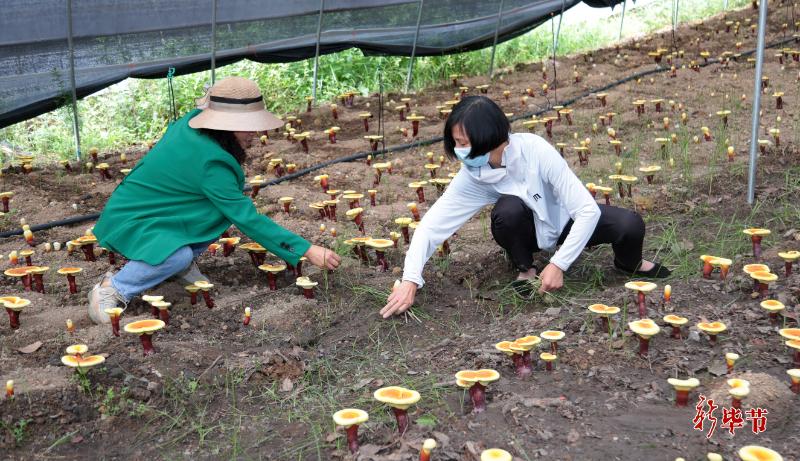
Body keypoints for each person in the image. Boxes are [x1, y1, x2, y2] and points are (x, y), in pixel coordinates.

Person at [381, 95, 669, 318]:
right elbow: (431, 227)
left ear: (491, 138)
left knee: (630, 225)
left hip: (567, 222)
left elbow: (587, 211)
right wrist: (410, 280)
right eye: (456, 142)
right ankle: (525, 267)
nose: (459, 150)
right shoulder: (473, 175)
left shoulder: (534, 150)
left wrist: (559, 264)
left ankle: (627, 263)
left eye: (464, 142)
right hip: (528, 231)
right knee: (507, 211)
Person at [88, 77, 340, 324]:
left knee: (213, 214)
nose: (255, 132)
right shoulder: (212, 163)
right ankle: (113, 287)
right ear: (225, 124)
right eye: (248, 125)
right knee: (179, 255)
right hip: (134, 219)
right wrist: (307, 249)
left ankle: (176, 267)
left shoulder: (192, 122)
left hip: (149, 207)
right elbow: (248, 219)